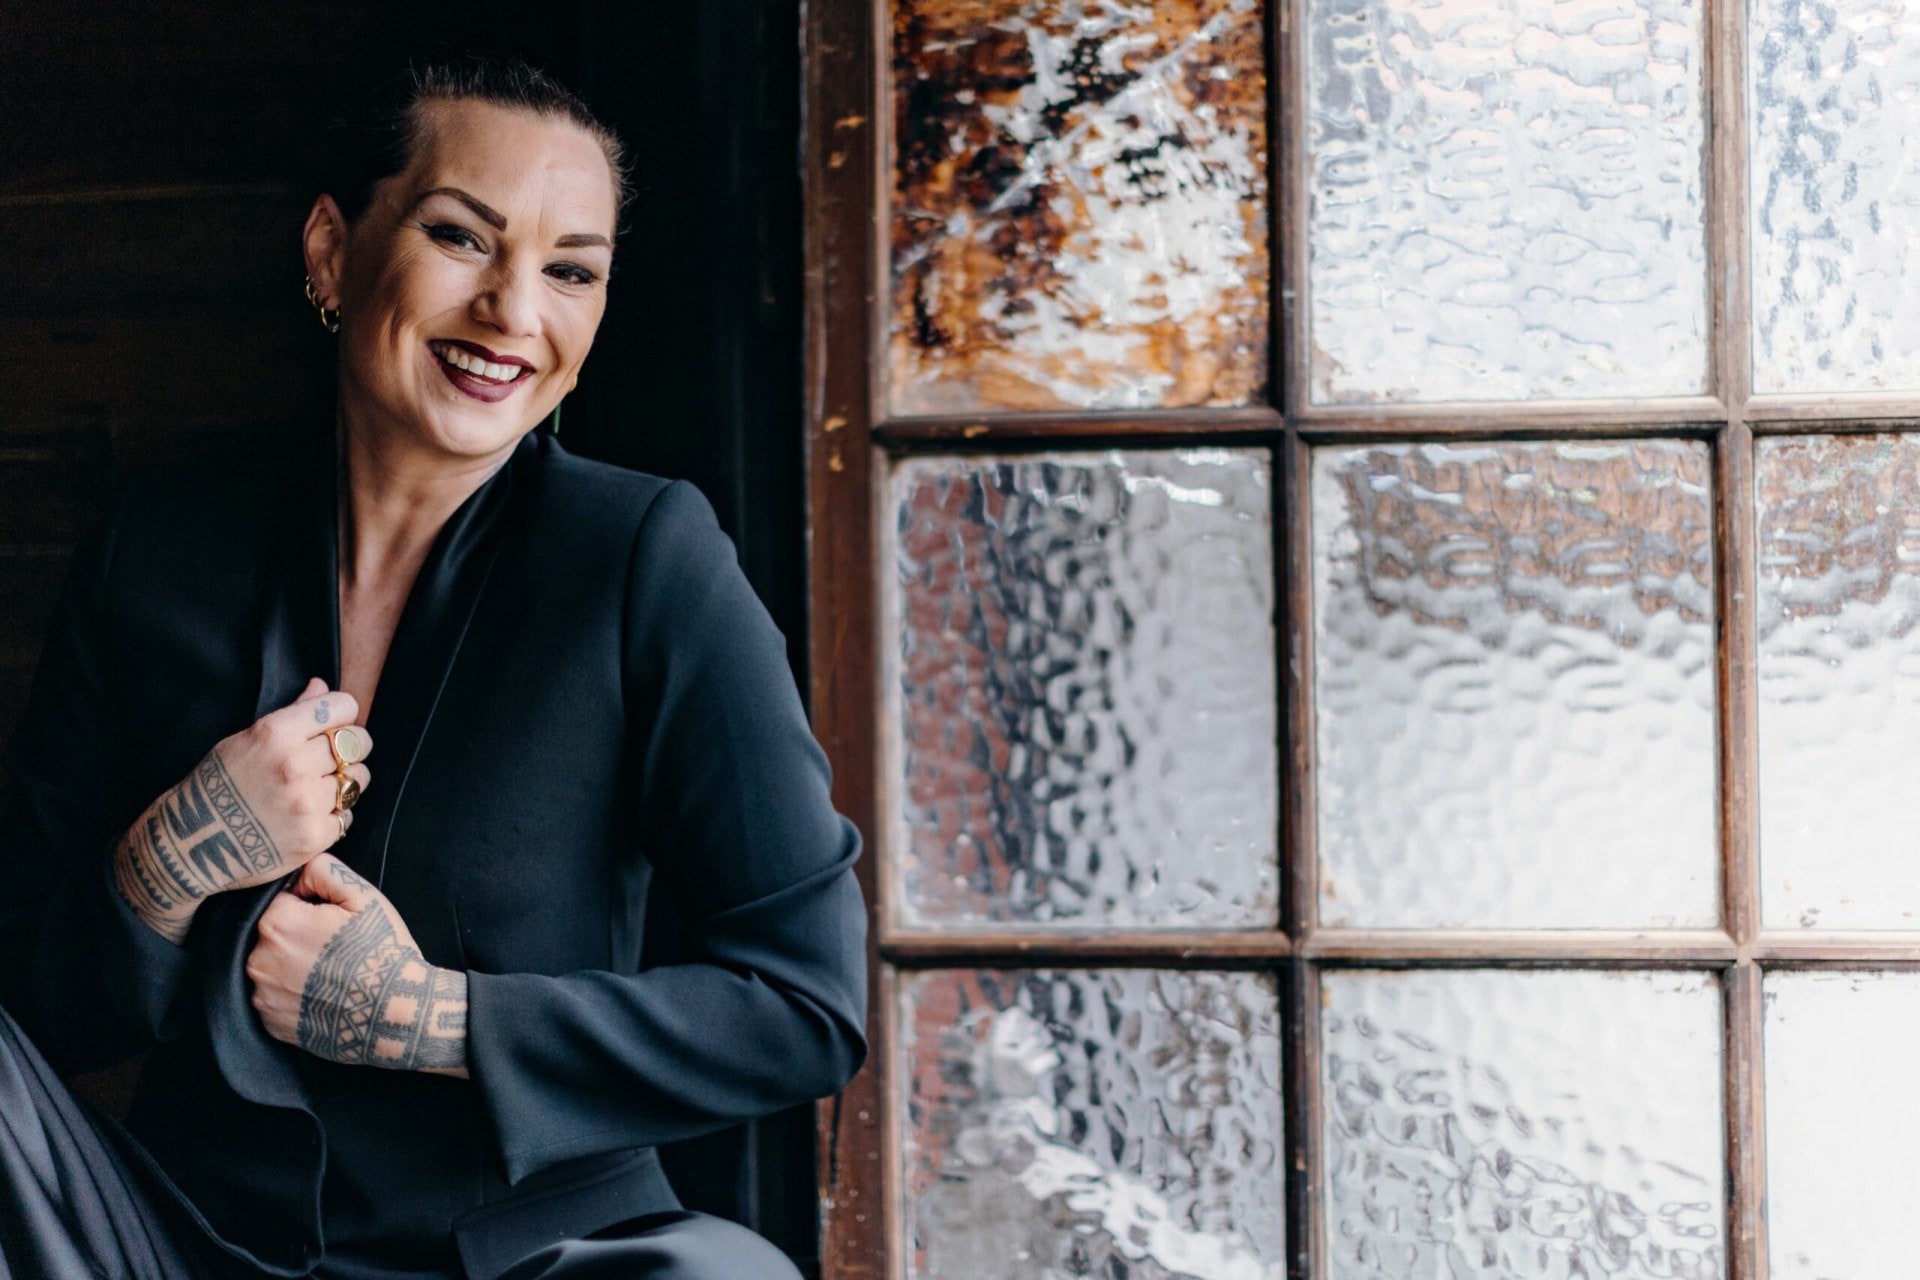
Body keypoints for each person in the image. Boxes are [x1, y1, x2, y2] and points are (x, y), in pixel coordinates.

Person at [0, 57, 867, 1280]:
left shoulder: (646, 559)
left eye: (570, 268)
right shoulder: (157, 551)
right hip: (179, 1236)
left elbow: (804, 1008)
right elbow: (32, 995)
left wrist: (436, 1020)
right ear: (331, 252)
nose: (516, 310)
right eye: (464, 238)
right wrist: (172, 853)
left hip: (534, 1252)